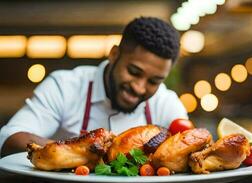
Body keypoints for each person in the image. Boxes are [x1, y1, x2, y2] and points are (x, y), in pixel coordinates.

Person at [0, 17, 188, 157]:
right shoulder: (65, 86)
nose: (139, 88)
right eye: (134, 72)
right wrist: (82, 150)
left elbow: (187, 146)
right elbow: (11, 138)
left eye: (154, 81)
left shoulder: (166, 102)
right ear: (114, 54)